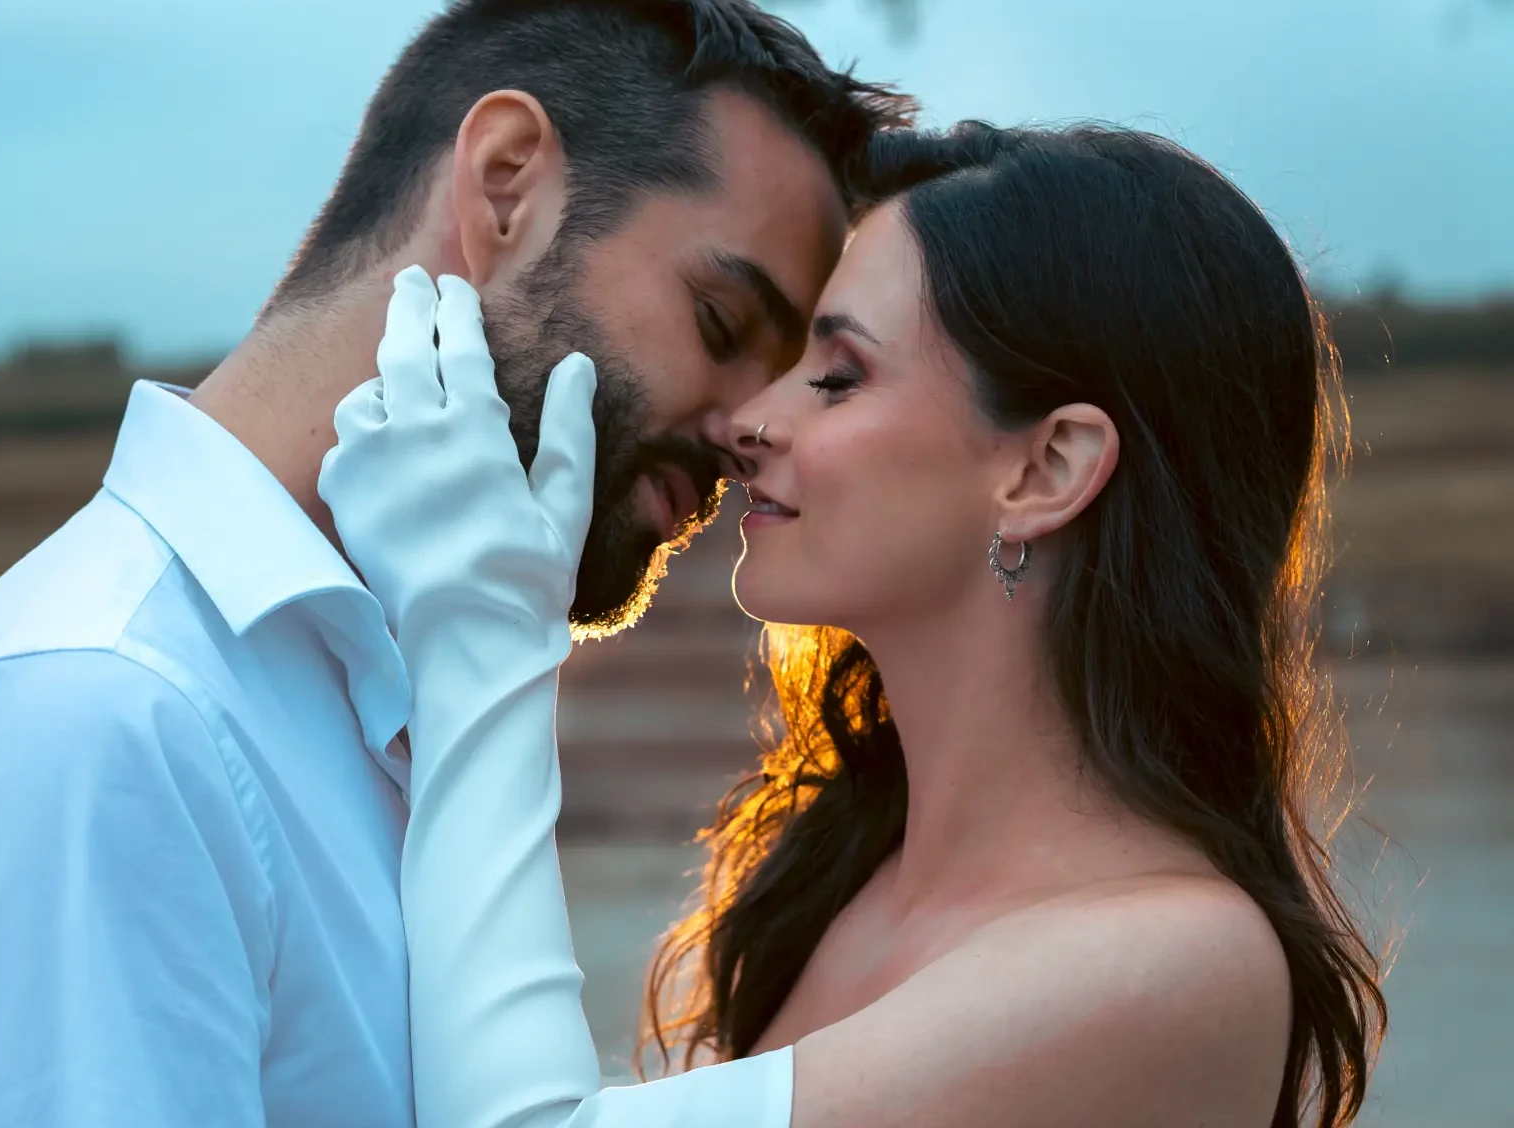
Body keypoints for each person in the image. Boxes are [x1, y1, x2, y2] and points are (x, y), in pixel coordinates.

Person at [0, 2, 910, 1124]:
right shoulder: (101, 719)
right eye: (721, 322)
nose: (748, 432)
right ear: (505, 184)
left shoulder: (378, 686)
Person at [319, 122, 1387, 1128]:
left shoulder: (1175, 960)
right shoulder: (844, 874)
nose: (750, 420)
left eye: (837, 377)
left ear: (1048, 468)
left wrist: (486, 641)